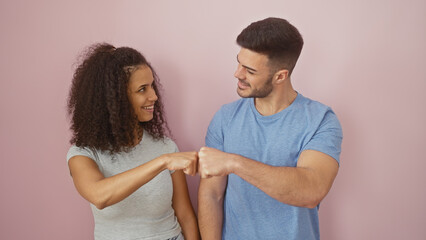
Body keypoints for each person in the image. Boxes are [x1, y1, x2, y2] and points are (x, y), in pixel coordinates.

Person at [197, 17, 343, 239]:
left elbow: (312, 190)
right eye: (239, 62)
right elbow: (211, 195)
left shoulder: (321, 120)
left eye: (250, 70)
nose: (238, 73)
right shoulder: (225, 118)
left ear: (280, 76)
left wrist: (234, 162)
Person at [66, 43, 200, 240]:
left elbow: (185, 215)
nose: (154, 96)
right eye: (142, 89)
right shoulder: (83, 154)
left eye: (152, 86)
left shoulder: (166, 147)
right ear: (115, 98)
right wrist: (162, 162)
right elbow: (99, 196)